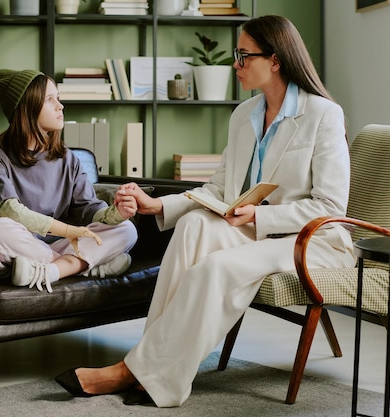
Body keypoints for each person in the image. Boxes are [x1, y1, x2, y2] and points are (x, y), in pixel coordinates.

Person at [54, 15, 356, 407]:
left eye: (244, 56)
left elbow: (331, 205)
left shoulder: (323, 114)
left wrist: (260, 217)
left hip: (311, 240)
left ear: (276, 60)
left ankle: (132, 371)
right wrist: (157, 204)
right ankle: (154, 370)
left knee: (217, 267)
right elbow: (217, 189)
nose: (235, 65)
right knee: (195, 224)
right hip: (255, 232)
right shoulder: (243, 116)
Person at [0, 69, 138, 291]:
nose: (60, 106)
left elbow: (88, 209)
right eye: (50, 99)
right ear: (26, 109)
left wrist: (117, 213)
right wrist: (69, 232)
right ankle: (83, 267)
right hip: (6, 250)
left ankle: (48, 271)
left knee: (126, 229)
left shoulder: (67, 158)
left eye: (58, 97)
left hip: (47, 247)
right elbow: (9, 211)